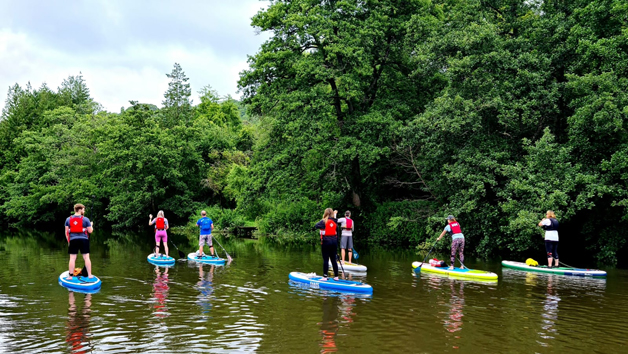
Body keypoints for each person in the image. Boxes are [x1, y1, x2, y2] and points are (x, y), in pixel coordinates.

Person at [64, 203, 94, 280]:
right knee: (86, 257)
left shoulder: (68, 219)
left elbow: (66, 232)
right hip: (84, 240)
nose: (84, 211)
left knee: (72, 258)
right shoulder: (86, 219)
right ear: (80, 210)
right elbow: (90, 231)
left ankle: (70, 276)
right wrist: (91, 225)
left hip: (73, 240)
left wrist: (69, 242)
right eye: (83, 210)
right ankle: (90, 275)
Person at [314, 208, 340, 281]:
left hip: (326, 242)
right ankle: (336, 276)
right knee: (333, 260)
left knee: (326, 259)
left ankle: (325, 277)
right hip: (334, 242)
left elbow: (316, 226)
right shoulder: (335, 222)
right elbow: (337, 234)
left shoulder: (323, 221)